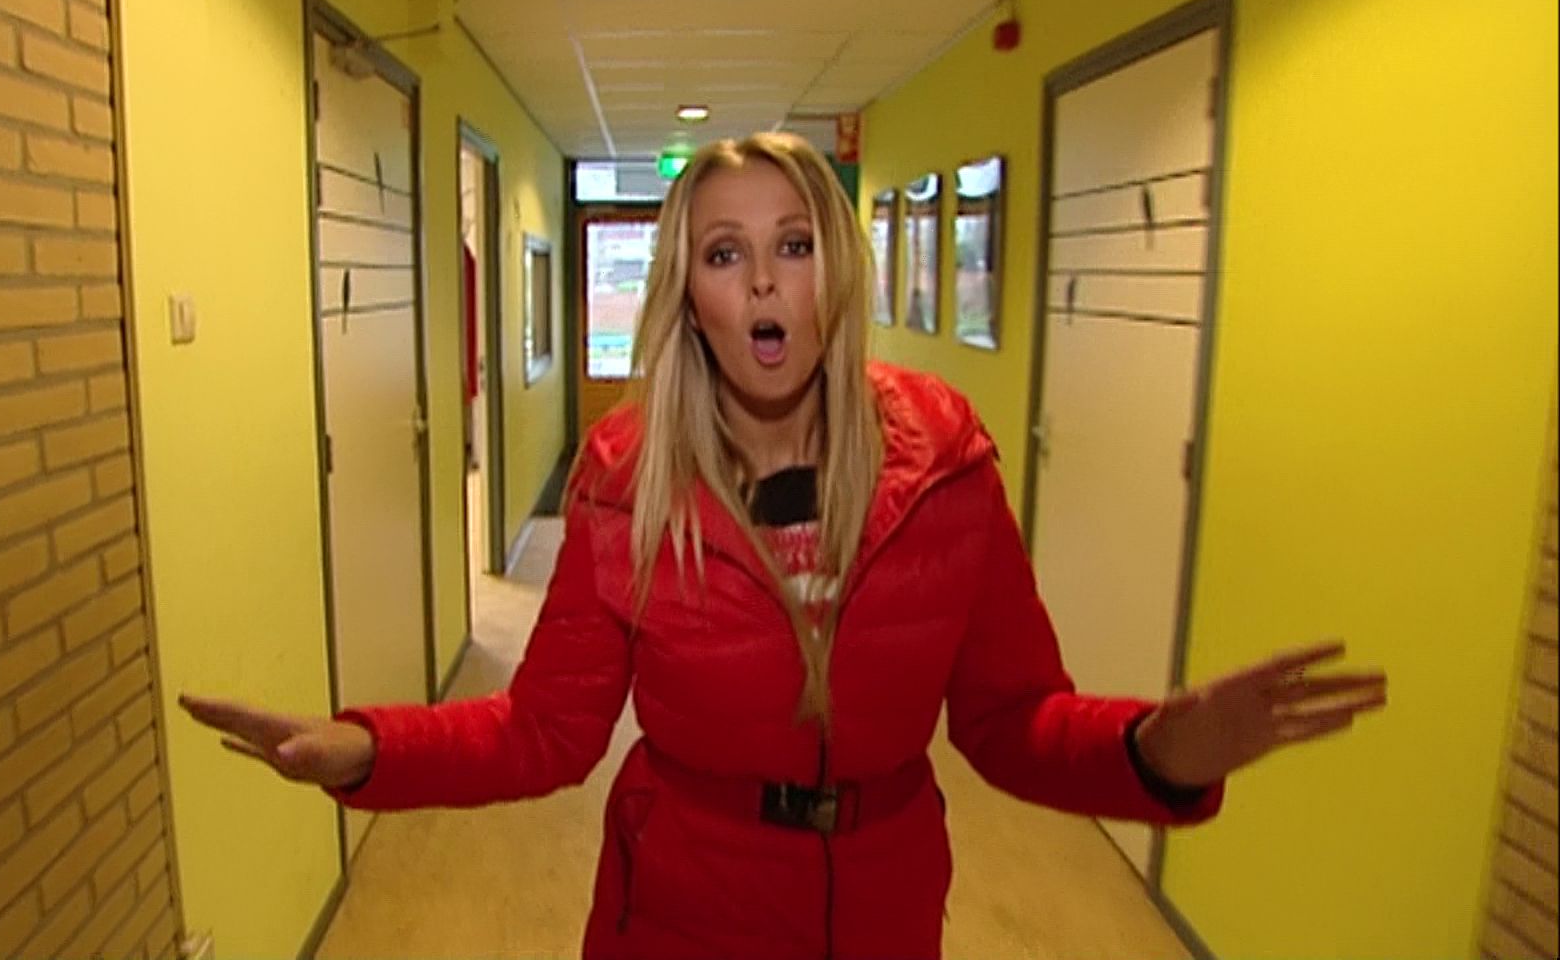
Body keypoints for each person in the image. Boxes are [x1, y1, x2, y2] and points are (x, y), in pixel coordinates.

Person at [180, 133, 1387, 960]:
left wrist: (1157, 751)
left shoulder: (946, 463)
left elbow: (1011, 720)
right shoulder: (623, 478)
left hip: (886, 905)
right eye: (725, 253)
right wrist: (364, 751)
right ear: (689, 294)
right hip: (675, 910)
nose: (763, 281)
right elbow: (544, 732)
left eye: (794, 244)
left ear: (835, 269)